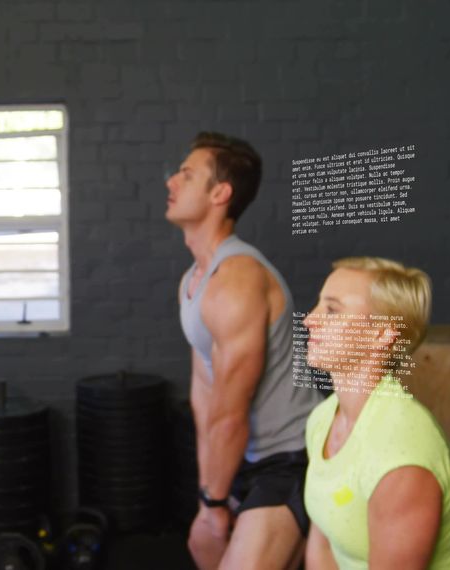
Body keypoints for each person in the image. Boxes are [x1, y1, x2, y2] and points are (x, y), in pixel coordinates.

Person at [167, 132, 323, 569]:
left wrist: (214, 503)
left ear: (220, 193)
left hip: (291, 457)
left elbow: (231, 412)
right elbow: (206, 399)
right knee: (206, 548)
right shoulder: (193, 282)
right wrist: (209, 498)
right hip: (245, 458)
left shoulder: (237, 279)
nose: (171, 182)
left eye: (187, 174)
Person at [302, 257, 450, 569]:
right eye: (318, 305)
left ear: (382, 334)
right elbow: (322, 544)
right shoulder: (322, 418)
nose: (310, 320)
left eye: (332, 310)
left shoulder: (401, 451)